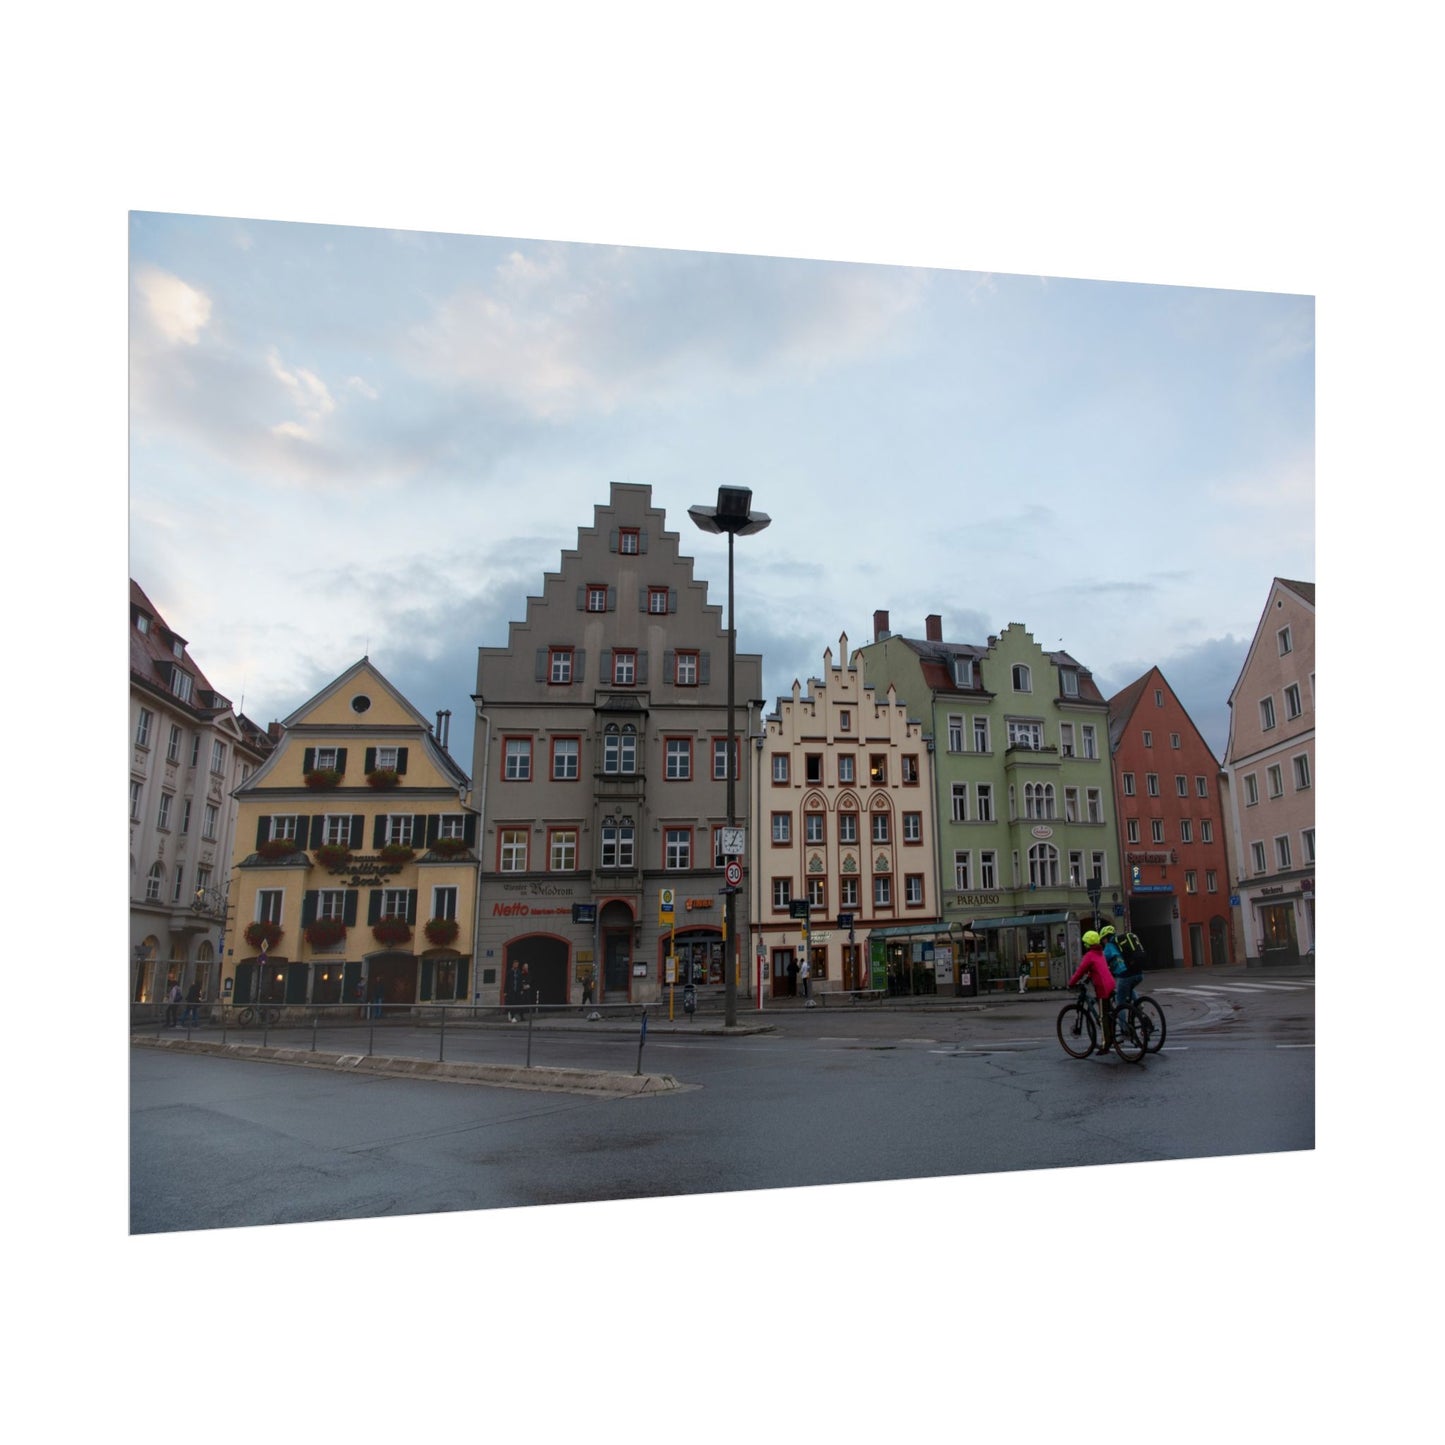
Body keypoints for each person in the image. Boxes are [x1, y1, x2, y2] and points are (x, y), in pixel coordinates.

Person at [1067, 930, 1115, 1054]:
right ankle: (1112, 1034)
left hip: (1102, 988)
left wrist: (1071, 983)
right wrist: (1089, 977)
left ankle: (1105, 1045)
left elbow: (1080, 971)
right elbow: (1095, 968)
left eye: (1085, 943)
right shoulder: (1100, 953)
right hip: (1111, 984)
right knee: (1109, 1013)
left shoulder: (1089, 956)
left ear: (1088, 944)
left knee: (1103, 1016)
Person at [1100, 925, 1143, 1014]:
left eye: (1103, 939)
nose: (1103, 942)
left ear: (1106, 937)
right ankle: (1139, 1004)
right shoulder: (1120, 943)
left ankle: (1123, 1028)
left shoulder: (1109, 946)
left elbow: (1101, 960)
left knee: (1120, 1002)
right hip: (1139, 973)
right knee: (1128, 987)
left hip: (1126, 975)